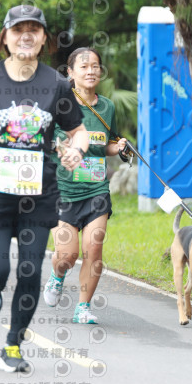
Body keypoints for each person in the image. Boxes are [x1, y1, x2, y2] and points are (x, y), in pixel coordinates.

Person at [0, 5, 89, 373]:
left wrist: (76, 149)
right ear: (5, 37)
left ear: (44, 38)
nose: (25, 35)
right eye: (18, 29)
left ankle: (13, 344)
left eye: (34, 29)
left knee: (30, 272)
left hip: (39, 193)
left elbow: (78, 130)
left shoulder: (57, 84)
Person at [44, 47, 128, 324]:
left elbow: (109, 144)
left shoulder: (107, 107)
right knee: (68, 255)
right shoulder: (59, 104)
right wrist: (60, 148)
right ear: (70, 73)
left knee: (94, 248)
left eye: (95, 66)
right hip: (63, 191)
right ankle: (57, 275)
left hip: (96, 190)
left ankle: (83, 307)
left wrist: (120, 146)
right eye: (84, 66)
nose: (91, 71)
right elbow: (47, 139)